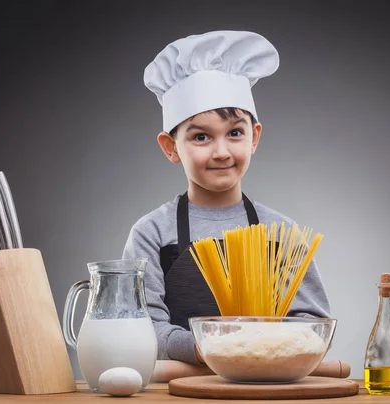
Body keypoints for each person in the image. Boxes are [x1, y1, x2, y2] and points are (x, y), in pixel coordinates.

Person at [122, 30, 331, 364]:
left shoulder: (283, 233)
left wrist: (259, 348)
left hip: (265, 390)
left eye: (235, 133)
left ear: (254, 138)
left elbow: (312, 325)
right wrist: (215, 349)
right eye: (201, 137)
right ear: (170, 147)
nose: (221, 152)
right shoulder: (151, 234)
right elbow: (146, 328)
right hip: (181, 393)